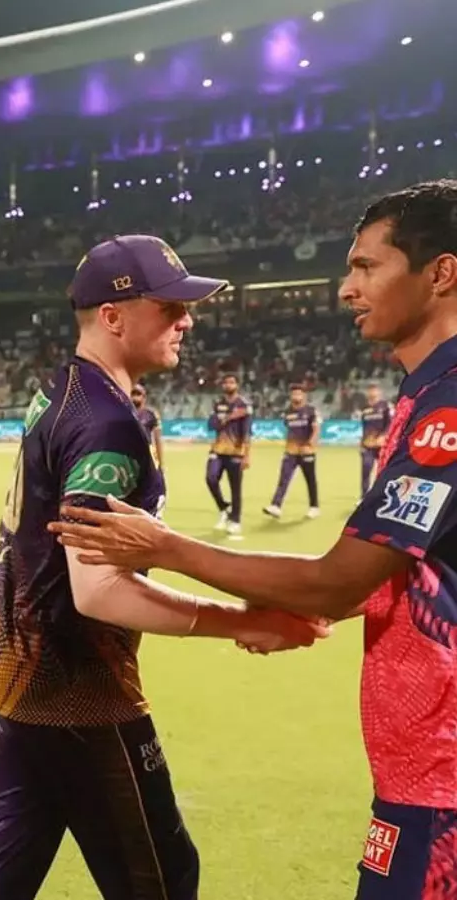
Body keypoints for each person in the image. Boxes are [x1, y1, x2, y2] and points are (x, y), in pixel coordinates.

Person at [47, 181, 457, 900]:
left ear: (441, 272)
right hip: (422, 765)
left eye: (367, 267)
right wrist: (289, 611)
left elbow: (340, 577)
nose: (346, 289)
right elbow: (396, 574)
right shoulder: (427, 393)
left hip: (442, 775)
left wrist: (164, 547)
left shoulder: (446, 403)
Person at [0, 235, 329, 900]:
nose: (187, 321)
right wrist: (239, 620)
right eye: (169, 307)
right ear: (113, 315)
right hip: (80, 689)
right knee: (163, 877)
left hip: (21, 676)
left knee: (1, 870)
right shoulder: (107, 424)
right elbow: (97, 591)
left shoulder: (64, 390)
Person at [264, 383, 321, 520]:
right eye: (294, 394)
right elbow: (289, 429)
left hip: (307, 451)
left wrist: (310, 444)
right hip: (290, 452)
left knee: (310, 479)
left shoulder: (311, 411)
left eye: (299, 393)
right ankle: (276, 506)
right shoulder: (288, 412)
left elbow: (316, 429)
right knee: (284, 478)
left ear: (304, 395)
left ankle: (314, 507)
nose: (296, 396)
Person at [206, 373, 252, 538]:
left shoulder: (244, 405)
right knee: (211, 479)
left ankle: (235, 521)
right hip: (218, 450)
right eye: (226, 382)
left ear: (237, 385)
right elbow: (211, 425)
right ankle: (224, 509)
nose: (228, 385)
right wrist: (229, 417)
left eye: (232, 382)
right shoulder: (218, 404)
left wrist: (247, 455)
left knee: (235, 488)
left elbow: (247, 433)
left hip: (236, 451)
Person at [132, 382, 165, 505]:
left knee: (156, 487)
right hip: (129, 457)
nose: (135, 397)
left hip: (148, 456)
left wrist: (161, 463)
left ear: (144, 397)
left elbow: (158, 439)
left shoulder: (151, 414)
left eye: (138, 394)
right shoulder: (124, 411)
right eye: (133, 393)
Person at [359, 381, 393, 495]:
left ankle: (383, 494)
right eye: (370, 390)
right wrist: (362, 441)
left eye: (374, 390)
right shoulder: (364, 408)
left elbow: (391, 423)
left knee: (384, 470)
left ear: (379, 392)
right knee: (366, 468)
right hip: (368, 444)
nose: (372, 392)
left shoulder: (385, 406)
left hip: (382, 444)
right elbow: (364, 426)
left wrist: (383, 436)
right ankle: (364, 496)